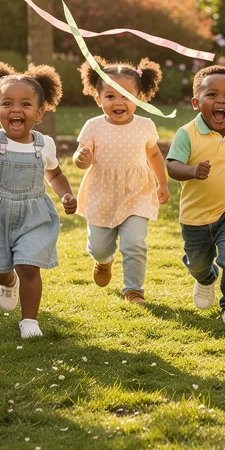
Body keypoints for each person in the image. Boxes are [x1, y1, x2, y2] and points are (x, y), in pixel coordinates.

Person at [0, 62, 76, 339]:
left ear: (39, 112)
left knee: (29, 266)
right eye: (7, 103)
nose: (16, 109)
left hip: (33, 215)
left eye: (26, 104)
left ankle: (29, 321)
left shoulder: (44, 144)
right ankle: (8, 282)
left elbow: (54, 174)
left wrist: (66, 194)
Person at [166, 65, 225, 327]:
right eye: (212, 95)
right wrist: (191, 171)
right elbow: (172, 166)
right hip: (195, 216)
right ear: (197, 103)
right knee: (198, 263)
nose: (221, 101)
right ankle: (206, 278)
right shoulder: (187, 133)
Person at [74, 57, 168, 304]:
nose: (119, 102)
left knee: (135, 243)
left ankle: (134, 289)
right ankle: (103, 262)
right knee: (99, 247)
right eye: (111, 96)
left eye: (127, 96)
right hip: (102, 194)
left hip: (137, 192)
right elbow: (81, 159)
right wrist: (81, 158)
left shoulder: (145, 125)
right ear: (98, 99)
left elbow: (154, 153)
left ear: (140, 97)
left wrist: (163, 182)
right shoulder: (93, 126)